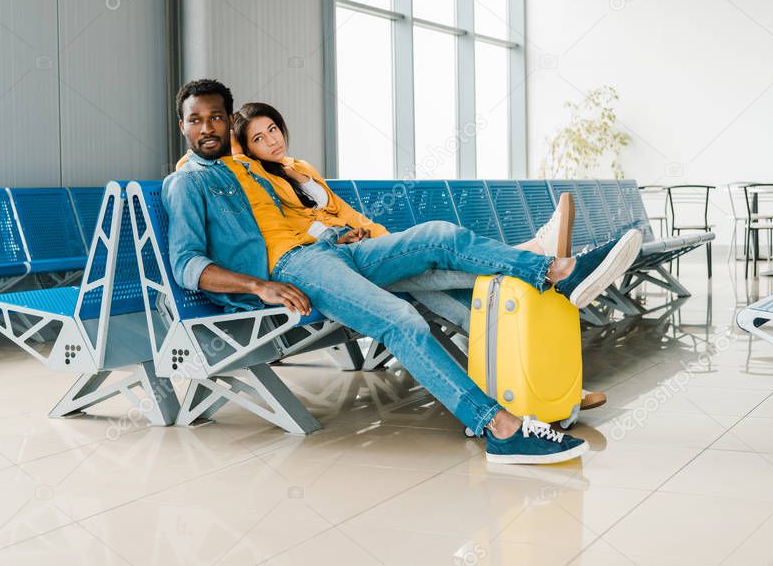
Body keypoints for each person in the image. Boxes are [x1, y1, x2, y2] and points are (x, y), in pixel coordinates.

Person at [163, 79, 642, 464]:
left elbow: (300, 205)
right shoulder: (187, 182)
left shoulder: (244, 168)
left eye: (216, 117)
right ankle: (499, 428)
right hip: (294, 270)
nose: (206, 127)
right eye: (195, 120)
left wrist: (341, 233)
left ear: (228, 122)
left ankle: (549, 270)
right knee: (402, 318)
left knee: (439, 237)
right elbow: (187, 264)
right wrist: (258, 285)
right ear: (181, 126)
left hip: (329, 250)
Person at [226, 101, 607, 410]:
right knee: (463, 268)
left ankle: (552, 381)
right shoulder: (256, 177)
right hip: (329, 264)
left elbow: (345, 211)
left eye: (272, 129)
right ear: (246, 148)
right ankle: (541, 260)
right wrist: (335, 236)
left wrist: (371, 234)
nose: (271, 141)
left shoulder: (300, 168)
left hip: (364, 250)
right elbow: (293, 225)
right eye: (258, 139)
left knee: (463, 302)